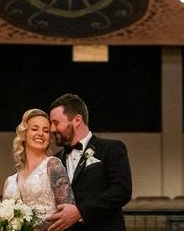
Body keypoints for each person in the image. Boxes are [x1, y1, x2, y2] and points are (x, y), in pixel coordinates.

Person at [47, 94, 132, 231]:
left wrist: (80, 212)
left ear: (77, 120)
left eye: (56, 123)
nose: (51, 129)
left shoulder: (111, 149)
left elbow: (121, 191)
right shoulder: (54, 161)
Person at [2, 108, 74, 230]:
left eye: (46, 131)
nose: (40, 133)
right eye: (35, 129)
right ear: (24, 134)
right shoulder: (9, 181)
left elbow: (67, 212)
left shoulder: (53, 165)